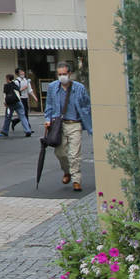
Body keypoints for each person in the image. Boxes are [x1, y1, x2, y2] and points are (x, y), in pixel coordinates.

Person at [44, 62, 92, 192]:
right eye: (59, 74)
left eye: (64, 74)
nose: (62, 77)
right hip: (58, 124)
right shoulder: (53, 87)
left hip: (74, 123)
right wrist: (48, 119)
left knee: (74, 154)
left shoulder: (79, 87)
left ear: (70, 74)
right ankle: (67, 171)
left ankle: (76, 180)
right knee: (59, 152)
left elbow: (87, 105)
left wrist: (87, 121)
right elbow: (48, 105)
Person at [0, 73, 32, 137]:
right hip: (18, 102)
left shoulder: (6, 86)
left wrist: (5, 102)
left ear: (7, 79)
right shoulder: (15, 84)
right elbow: (18, 93)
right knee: (22, 116)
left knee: (8, 117)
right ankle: (27, 130)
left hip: (10, 103)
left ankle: (5, 131)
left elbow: (5, 94)